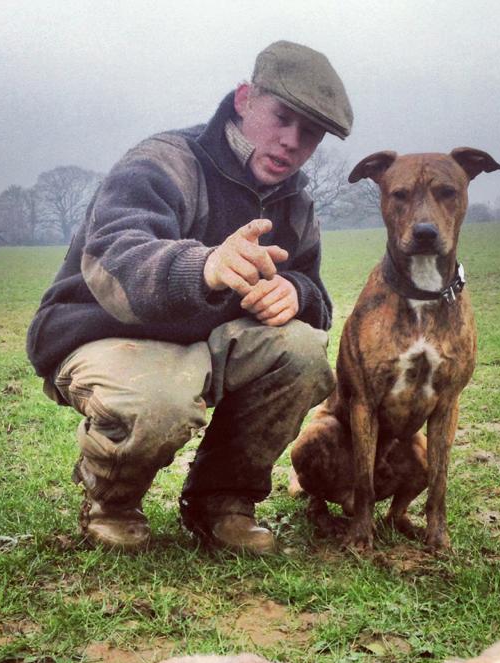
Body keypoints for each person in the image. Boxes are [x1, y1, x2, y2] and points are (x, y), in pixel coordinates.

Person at [26, 41, 353, 554]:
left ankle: (221, 502)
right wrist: (204, 266)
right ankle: (111, 502)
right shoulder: (163, 162)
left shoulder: (296, 202)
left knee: (304, 353)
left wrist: (296, 292)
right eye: (282, 117)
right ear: (245, 99)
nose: (291, 142)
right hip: (104, 332)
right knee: (161, 401)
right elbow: (116, 254)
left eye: (309, 133)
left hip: (207, 345)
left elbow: (316, 291)